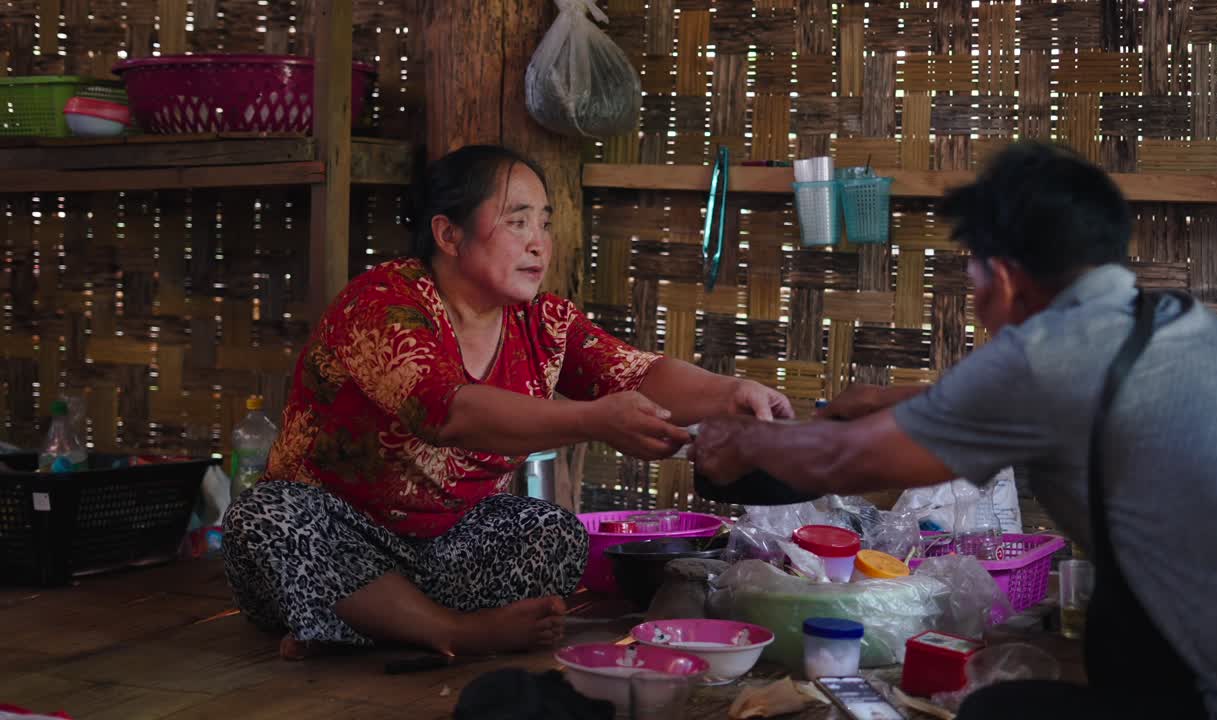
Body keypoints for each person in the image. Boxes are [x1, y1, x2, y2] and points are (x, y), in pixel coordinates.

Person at [692, 141, 1217, 719]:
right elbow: (1024, 404)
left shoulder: (1046, 356)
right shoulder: (1168, 324)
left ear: (1001, 275)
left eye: (971, 270)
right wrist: (881, 400)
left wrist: (741, 440)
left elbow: (840, 462)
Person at [222, 145, 793, 661]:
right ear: (449, 234)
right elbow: (449, 413)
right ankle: (449, 630)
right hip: (336, 538)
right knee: (267, 516)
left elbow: (636, 372)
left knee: (553, 534)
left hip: (443, 553)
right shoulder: (383, 303)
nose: (538, 242)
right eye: (517, 221)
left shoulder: (542, 322)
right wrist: (594, 421)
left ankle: (360, 624)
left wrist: (730, 394)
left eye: (544, 222)